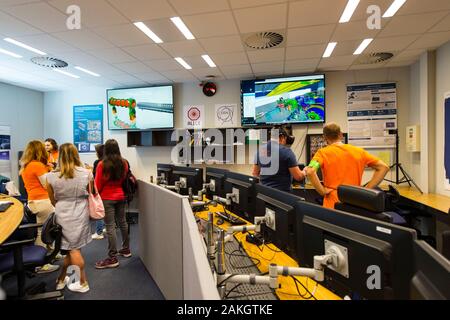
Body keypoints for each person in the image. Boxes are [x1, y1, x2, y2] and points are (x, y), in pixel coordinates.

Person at [305, 122, 390, 209]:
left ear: (324, 137)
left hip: (333, 202)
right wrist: (367, 189)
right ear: (341, 135)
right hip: (355, 200)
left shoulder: (322, 153)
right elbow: (384, 167)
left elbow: (310, 171)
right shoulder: (359, 151)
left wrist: (322, 191)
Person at [46, 143, 92, 293]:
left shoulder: (51, 176)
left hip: (62, 212)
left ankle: (73, 281)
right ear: (76, 154)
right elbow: (91, 193)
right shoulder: (86, 173)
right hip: (80, 212)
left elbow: (52, 200)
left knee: (72, 248)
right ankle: (73, 281)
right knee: (73, 248)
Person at [20, 140, 59, 274]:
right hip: (42, 201)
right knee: (43, 232)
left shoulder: (27, 165)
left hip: (33, 201)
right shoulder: (37, 165)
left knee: (46, 229)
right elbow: (46, 184)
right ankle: (41, 264)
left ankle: (49, 253)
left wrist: (48, 168)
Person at [95, 139, 131, 269]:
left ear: (106, 150)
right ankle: (126, 249)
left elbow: (98, 184)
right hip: (120, 196)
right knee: (123, 223)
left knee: (110, 226)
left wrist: (95, 196)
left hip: (107, 198)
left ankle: (112, 257)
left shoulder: (102, 164)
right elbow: (123, 179)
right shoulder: (124, 163)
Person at [252, 126, 305, 193]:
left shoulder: (260, 150)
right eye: (285, 140)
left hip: (264, 194)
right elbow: (298, 177)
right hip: (281, 196)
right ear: (282, 137)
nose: (285, 143)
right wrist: (305, 172)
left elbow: (255, 173)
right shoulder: (287, 152)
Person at [91, 144, 106, 240]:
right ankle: (104, 228)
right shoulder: (110, 162)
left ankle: (99, 232)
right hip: (109, 191)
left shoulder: (98, 162)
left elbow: (95, 176)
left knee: (98, 211)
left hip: (100, 190)